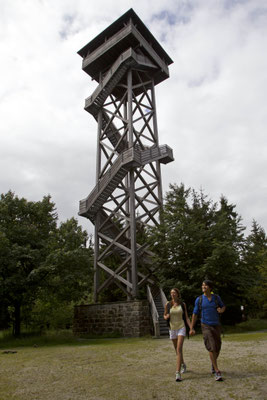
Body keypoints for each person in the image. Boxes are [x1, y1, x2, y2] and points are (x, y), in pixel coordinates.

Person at [190, 280, 226, 381]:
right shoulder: (199, 299)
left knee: (218, 347)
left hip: (216, 325)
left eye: (205, 285)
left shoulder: (216, 298)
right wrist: (192, 327)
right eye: (202, 285)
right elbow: (195, 314)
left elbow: (223, 306)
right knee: (211, 347)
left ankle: (213, 364)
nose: (203, 286)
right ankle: (217, 371)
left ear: (210, 287)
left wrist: (221, 310)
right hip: (205, 325)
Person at [164, 288, 191, 382]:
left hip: (181, 327)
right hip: (172, 328)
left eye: (174, 293)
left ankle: (177, 372)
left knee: (179, 349)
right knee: (177, 350)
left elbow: (186, 317)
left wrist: (191, 328)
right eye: (171, 293)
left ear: (178, 294)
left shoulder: (182, 304)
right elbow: (165, 315)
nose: (172, 294)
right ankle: (183, 364)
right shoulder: (168, 304)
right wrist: (166, 317)